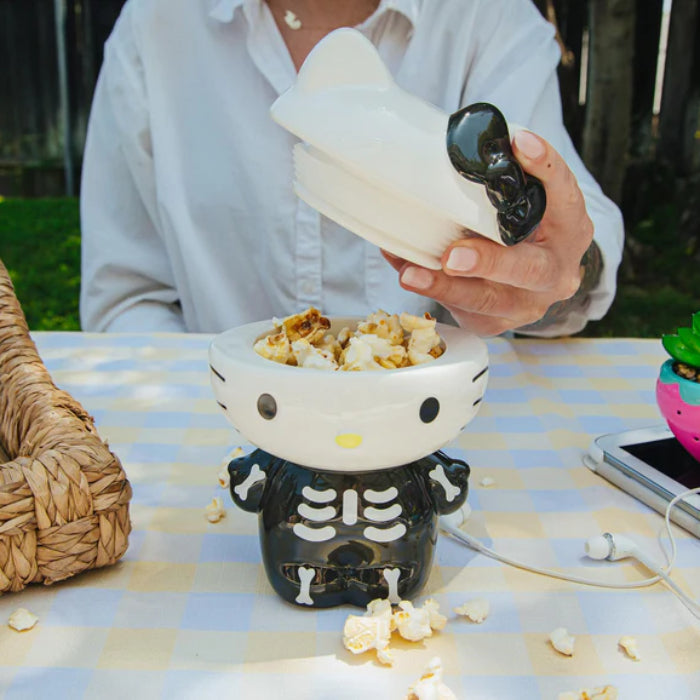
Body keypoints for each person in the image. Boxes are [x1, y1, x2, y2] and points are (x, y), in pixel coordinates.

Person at [79, 0, 624, 337]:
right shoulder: (157, 24)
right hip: (228, 434)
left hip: (442, 427)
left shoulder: (488, 17)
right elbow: (127, 298)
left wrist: (551, 281)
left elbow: (572, 256)